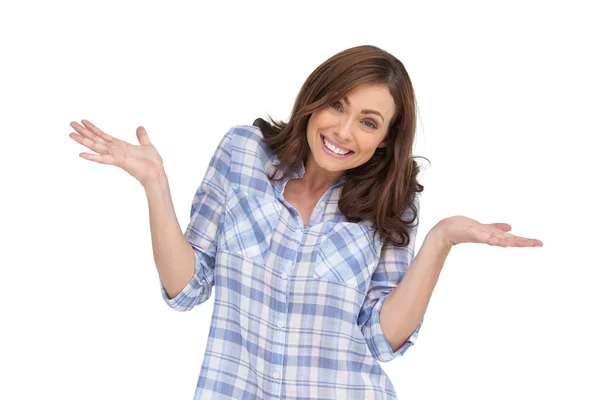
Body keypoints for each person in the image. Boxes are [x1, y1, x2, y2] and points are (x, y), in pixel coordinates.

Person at [68, 45, 543, 400]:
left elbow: (380, 339)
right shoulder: (242, 154)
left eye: (368, 122)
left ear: (385, 139)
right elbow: (187, 289)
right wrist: (155, 184)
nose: (342, 131)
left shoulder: (389, 204)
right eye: (338, 105)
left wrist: (440, 241)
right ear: (315, 99)